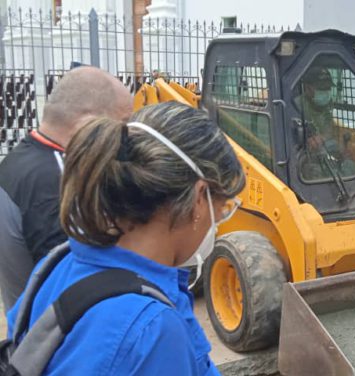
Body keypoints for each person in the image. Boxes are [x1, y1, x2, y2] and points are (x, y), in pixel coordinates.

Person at [7, 102, 245, 374]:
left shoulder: (58, 264)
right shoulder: (152, 331)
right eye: (223, 209)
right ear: (199, 199)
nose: (218, 224)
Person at [0, 67, 132, 313]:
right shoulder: (60, 178)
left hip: (30, 332)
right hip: (59, 340)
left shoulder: (19, 161)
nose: (124, 135)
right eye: (122, 123)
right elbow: (76, 282)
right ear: (89, 123)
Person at [297, 66, 355, 180]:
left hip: (324, 152)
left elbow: (329, 129)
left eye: (328, 88)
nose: (325, 92)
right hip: (302, 159)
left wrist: (341, 150)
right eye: (321, 88)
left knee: (352, 169)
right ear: (307, 88)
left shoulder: (324, 107)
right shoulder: (296, 107)